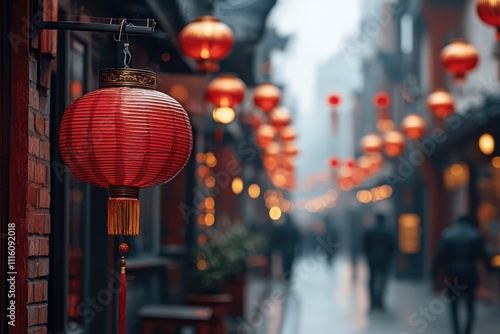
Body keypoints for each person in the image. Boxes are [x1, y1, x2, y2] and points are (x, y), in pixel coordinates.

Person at [432, 214, 492, 334]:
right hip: (470, 273)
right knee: (470, 304)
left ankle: (456, 331)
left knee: (454, 306)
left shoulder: (448, 234)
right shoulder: (475, 234)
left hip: (453, 274)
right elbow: (484, 255)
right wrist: (489, 268)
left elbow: (439, 256)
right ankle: (467, 331)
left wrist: (434, 273)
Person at [362, 214, 395, 312]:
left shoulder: (369, 231)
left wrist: (368, 255)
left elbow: (365, 245)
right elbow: (392, 247)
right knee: (383, 280)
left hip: (372, 259)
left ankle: (372, 303)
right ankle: (380, 302)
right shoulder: (388, 232)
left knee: (372, 280)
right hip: (384, 259)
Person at [270, 213, 301, 282]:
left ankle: (286, 275)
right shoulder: (293, 228)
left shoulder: (281, 228)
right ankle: (288, 276)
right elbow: (298, 239)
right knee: (290, 263)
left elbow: (276, 239)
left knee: (285, 262)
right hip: (291, 249)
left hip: (283, 248)